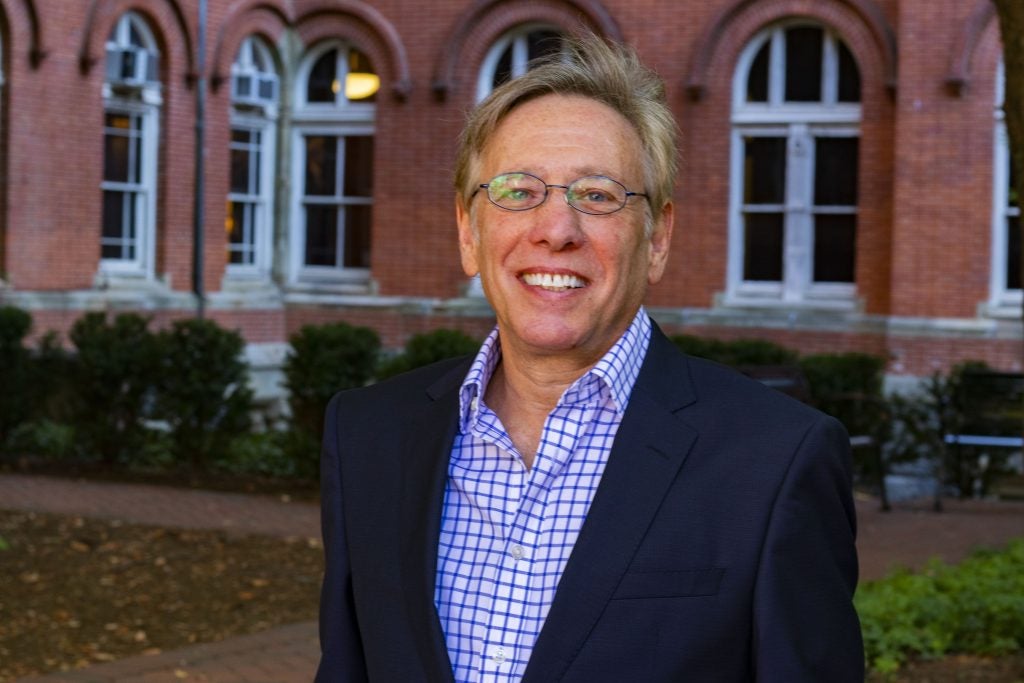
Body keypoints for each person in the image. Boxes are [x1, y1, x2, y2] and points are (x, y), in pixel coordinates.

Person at [315, 35, 864, 682]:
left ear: (657, 237)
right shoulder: (368, 436)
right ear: (469, 230)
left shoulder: (775, 462)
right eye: (518, 191)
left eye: (598, 195)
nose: (556, 229)